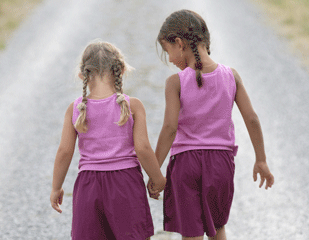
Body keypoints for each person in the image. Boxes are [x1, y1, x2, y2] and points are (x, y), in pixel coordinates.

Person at [148, 9, 275, 240]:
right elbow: (252, 119)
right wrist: (261, 159)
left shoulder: (175, 82)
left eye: (168, 51)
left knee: (192, 233)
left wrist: (155, 172)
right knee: (217, 229)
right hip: (221, 164)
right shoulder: (231, 76)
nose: (169, 59)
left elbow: (169, 128)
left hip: (186, 164)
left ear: (179, 43)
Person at [50, 40, 166, 240]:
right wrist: (157, 179)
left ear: (82, 75)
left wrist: (56, 187)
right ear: (120, 70)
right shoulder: (133, 106)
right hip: (126, 184)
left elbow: (64, 151)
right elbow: (143, 148)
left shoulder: (75, 109)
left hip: (88, 186)